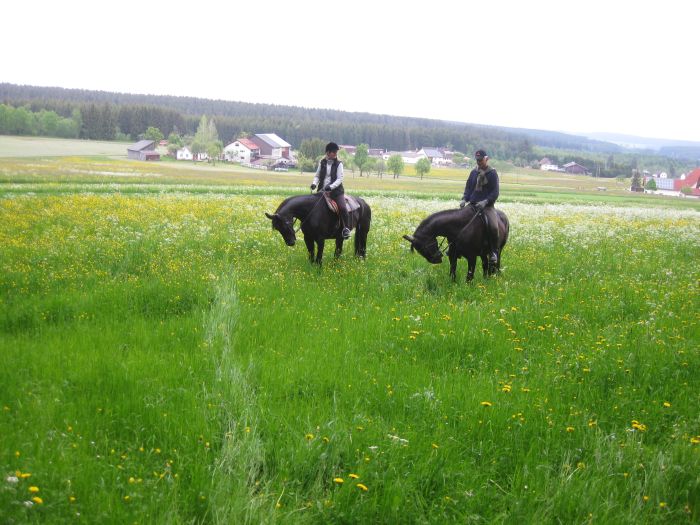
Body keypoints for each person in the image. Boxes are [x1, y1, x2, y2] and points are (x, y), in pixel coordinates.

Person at [459, 149, 500, 265]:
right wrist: (464, 199)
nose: (479, 162)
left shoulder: (492, 173)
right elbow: (468, 188)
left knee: (493, 226)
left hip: (487, 206)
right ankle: (456, 248)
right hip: (472, 204)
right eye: (477, 160)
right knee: (457, 220)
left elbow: (495, 192)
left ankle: (493, 252)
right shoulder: (473, 172)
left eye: (481, 160)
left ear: (486, 159)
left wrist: (486, 201)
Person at [310, 142, 351, 239]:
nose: (335, 153)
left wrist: (331, 187)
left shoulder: (339, 164)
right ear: (328, 152)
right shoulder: (322, 162)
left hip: (336, 192)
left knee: (342, 208)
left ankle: (346, 229)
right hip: (321, 191)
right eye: (333, 152)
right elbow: (317, 176)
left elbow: (339, 179)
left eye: (336, 152)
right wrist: (314, 184)